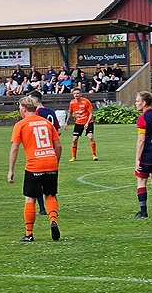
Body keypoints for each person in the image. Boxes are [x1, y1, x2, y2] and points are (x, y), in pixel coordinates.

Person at [8, 96, 62, 242]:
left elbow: (14, 148)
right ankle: (53, 221)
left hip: (34, 165)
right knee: (50, 195)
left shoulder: (20, 125)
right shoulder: (46, 123)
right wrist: (55, 162)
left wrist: (11, 170)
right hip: (51, 162)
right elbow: (58, 146)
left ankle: (29, 234)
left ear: (24, 109)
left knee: (30, 198)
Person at [29, 90, 61, 216]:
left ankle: (42, 209)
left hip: (40, 150)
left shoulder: (36, 113)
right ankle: (53, 207)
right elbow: (58, 131)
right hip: (52, 150)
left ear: (35, 100)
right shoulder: (51, 112)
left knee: (38, 181)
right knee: (50, 182)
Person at [66, 88, 97, 161]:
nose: (76, 95)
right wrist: (66, 122)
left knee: (90, 137)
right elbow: (70, 112)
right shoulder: (72, 102)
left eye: (77, 93)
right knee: (74, 139)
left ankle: (94, 155)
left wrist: (87, 123)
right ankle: (73, 157)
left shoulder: (86, 101)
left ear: (80, 94)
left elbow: (91, 113)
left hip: (88, 122)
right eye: (74, 93)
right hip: (78, 123)